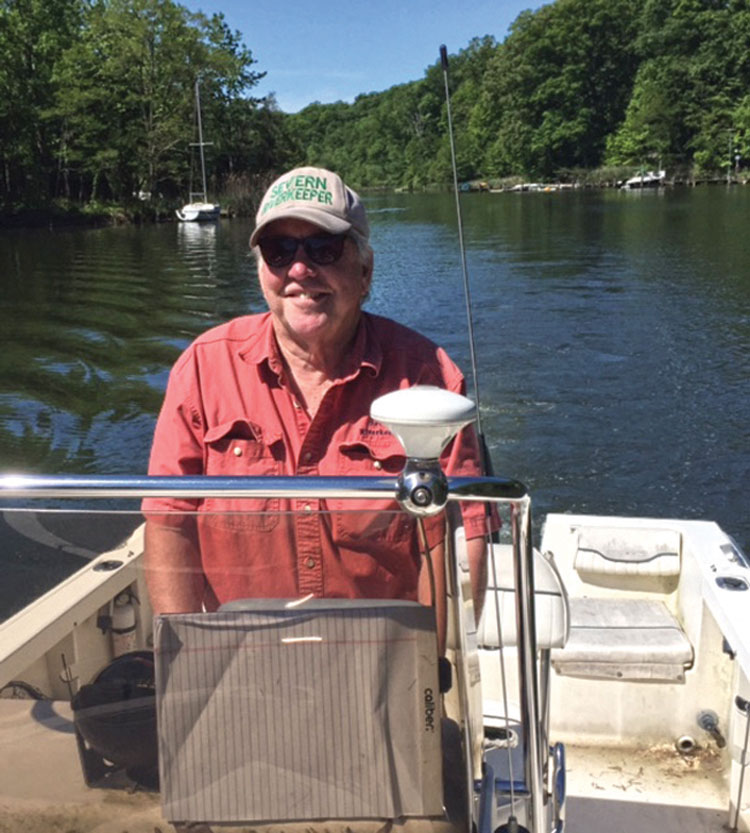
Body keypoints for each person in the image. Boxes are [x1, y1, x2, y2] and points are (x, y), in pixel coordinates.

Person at [143, 166, 489, 648]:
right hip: (242, 653)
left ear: (365, 271)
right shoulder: (202, 370)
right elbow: (168, 521)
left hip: (378, 658)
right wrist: (188, 663)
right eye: (279, 251)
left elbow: (457, 540)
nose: (299, 270)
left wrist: (425, 673)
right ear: (263, 270)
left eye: (323, 248)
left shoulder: (429, 376)